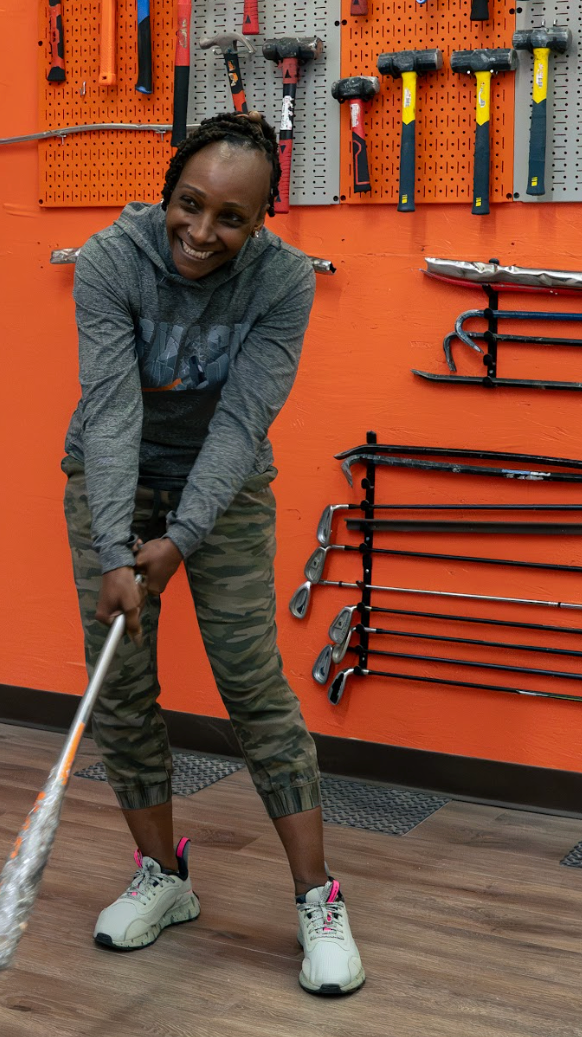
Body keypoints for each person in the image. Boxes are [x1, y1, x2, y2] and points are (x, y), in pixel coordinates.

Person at [61, 111, 364, 996]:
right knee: (118, 688)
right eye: (188, 206)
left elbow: (239, 426)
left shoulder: (284, 283)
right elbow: (112, 413)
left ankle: (318, 896)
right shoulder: (110, 259)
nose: (202, 233)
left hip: (222, 491)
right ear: (167, 195)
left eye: (230, 218)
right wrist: (119, 547)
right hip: (109, 481)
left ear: (263, 219)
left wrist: (182, 537)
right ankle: (164, 877)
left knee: (250, 679)